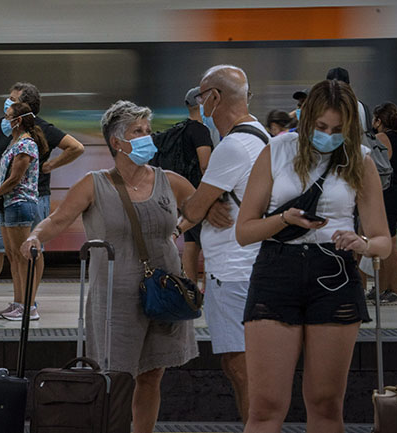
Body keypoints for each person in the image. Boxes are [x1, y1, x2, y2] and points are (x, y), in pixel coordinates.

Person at [21, 100, 198, 433]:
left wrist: (179, 229)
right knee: (115, 376)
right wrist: (34, 237)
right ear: (117, 142)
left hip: (163, 294)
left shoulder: (170, 181)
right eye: (138, 131)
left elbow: (202, 207)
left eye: (148, 130)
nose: (148, 137)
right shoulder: (94, 184)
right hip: (115, 298)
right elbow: (58, 219)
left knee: (152, 374)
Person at [237, 79, 391, 433]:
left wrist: (362, 242)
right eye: (321, 127)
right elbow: (244, 231)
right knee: (265, 407)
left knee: (325, 405)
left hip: (334, 273)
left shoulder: (360, 160)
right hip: (277, 270)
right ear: (306, 121)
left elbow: (383, 240)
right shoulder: (277, 150)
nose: (328, 135)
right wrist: (283, 219)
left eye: (338, 130)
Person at [0, 82, 84, 319]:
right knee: (5, 251)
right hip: (6, 200)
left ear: (24, 109)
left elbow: (75, 148)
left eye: (13, 100)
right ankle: (10, 302)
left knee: (28, 251)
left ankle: (27, 303)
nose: (7, 105)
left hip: (27, 199)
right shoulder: (7, 130)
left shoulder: (34, 135)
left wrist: (50, 165)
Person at [181, 65, 269, 424]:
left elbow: (193, 208)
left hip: (234, 273)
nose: (201, 105)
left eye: (202, 97)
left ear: (215, 97)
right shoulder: (259, 134)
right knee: (244, 365)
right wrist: (212, 202)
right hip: (248, 266)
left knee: (240, 364)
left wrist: (203, 203)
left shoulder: (232, 146)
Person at [0, 102, 47, 320]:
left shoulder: (26, 144)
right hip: (10, 204)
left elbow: (15, 179)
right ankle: (19, 303)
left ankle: (28, 307)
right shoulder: (15, 142)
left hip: (20, 203)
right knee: (14, 257)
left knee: (22, 257)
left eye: (8, 117)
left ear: (18, 120)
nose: (4, 121)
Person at [151, 86, 213, 283]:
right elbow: (205, 164)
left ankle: (191, 288)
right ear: (201, 103)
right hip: (197, 192)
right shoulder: (201, 131)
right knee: (209, 242)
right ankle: (206, 287)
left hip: (180, 195)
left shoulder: (181, 128)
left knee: (192, 243)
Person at [370, 102, 397, 305]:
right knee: (386, 244)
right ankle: (384, 288)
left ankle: (394, 291)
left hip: (388, 195)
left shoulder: (381, 139)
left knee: (391, 246)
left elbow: (373, 167)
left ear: (379, 120)